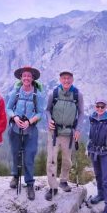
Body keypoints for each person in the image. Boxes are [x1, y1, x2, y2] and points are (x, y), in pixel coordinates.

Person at [44, 70, 85, 200]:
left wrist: (78, 129)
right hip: (54, 133)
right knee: (51, 160)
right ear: (60, 80)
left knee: (67, 160)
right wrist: (49, 120)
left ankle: (63, 180)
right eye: (63, 78)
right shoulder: (54, 93)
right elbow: (47, 110)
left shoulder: (78, 94)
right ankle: (53, 187)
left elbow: (81, 113)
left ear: (72, 80)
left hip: (69, 132)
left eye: (68, 78)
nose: (66, 81)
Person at [6, 65, 45, 200]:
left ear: (32, 78)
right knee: (15, 153)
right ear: (21, 78)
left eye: (29, 76)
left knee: (29, 156)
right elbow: (9, 108)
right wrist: (15, 117)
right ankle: (15, 176)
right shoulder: (15, 93)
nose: (27, 78)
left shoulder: (38, 95)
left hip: (31, 130)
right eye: (24, 76)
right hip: (15, 129)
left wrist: (29, 121)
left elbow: (40, 113)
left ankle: (29, 183)